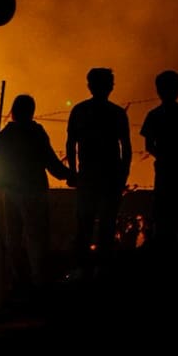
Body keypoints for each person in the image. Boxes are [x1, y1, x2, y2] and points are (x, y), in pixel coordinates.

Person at [0, 94, 72, 303]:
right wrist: (70, 176)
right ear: (31, 111)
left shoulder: (5, 135)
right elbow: (50, 161)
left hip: (9, 193)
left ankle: (18, 282)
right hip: (33, 192)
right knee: (36, 239)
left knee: (12, 239)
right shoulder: (35, 132)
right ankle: (39, 284)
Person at [65, 67, 132, 277]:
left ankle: (83, 267)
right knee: (107, 223)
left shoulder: (80, 111)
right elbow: (126, 148)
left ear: (90, 86)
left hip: (88, 176)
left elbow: (71, 143)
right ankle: (103, 267)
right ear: (110, 86)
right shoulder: (117, 113)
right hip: (110, 177)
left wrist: (73, 173)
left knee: (85, 222)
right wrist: (123, 175)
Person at [139, 70, 178, 257]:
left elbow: (149, 145)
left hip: (165, 172)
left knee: (165, 217)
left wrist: (164, 156)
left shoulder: (154, 115)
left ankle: (165, 254)